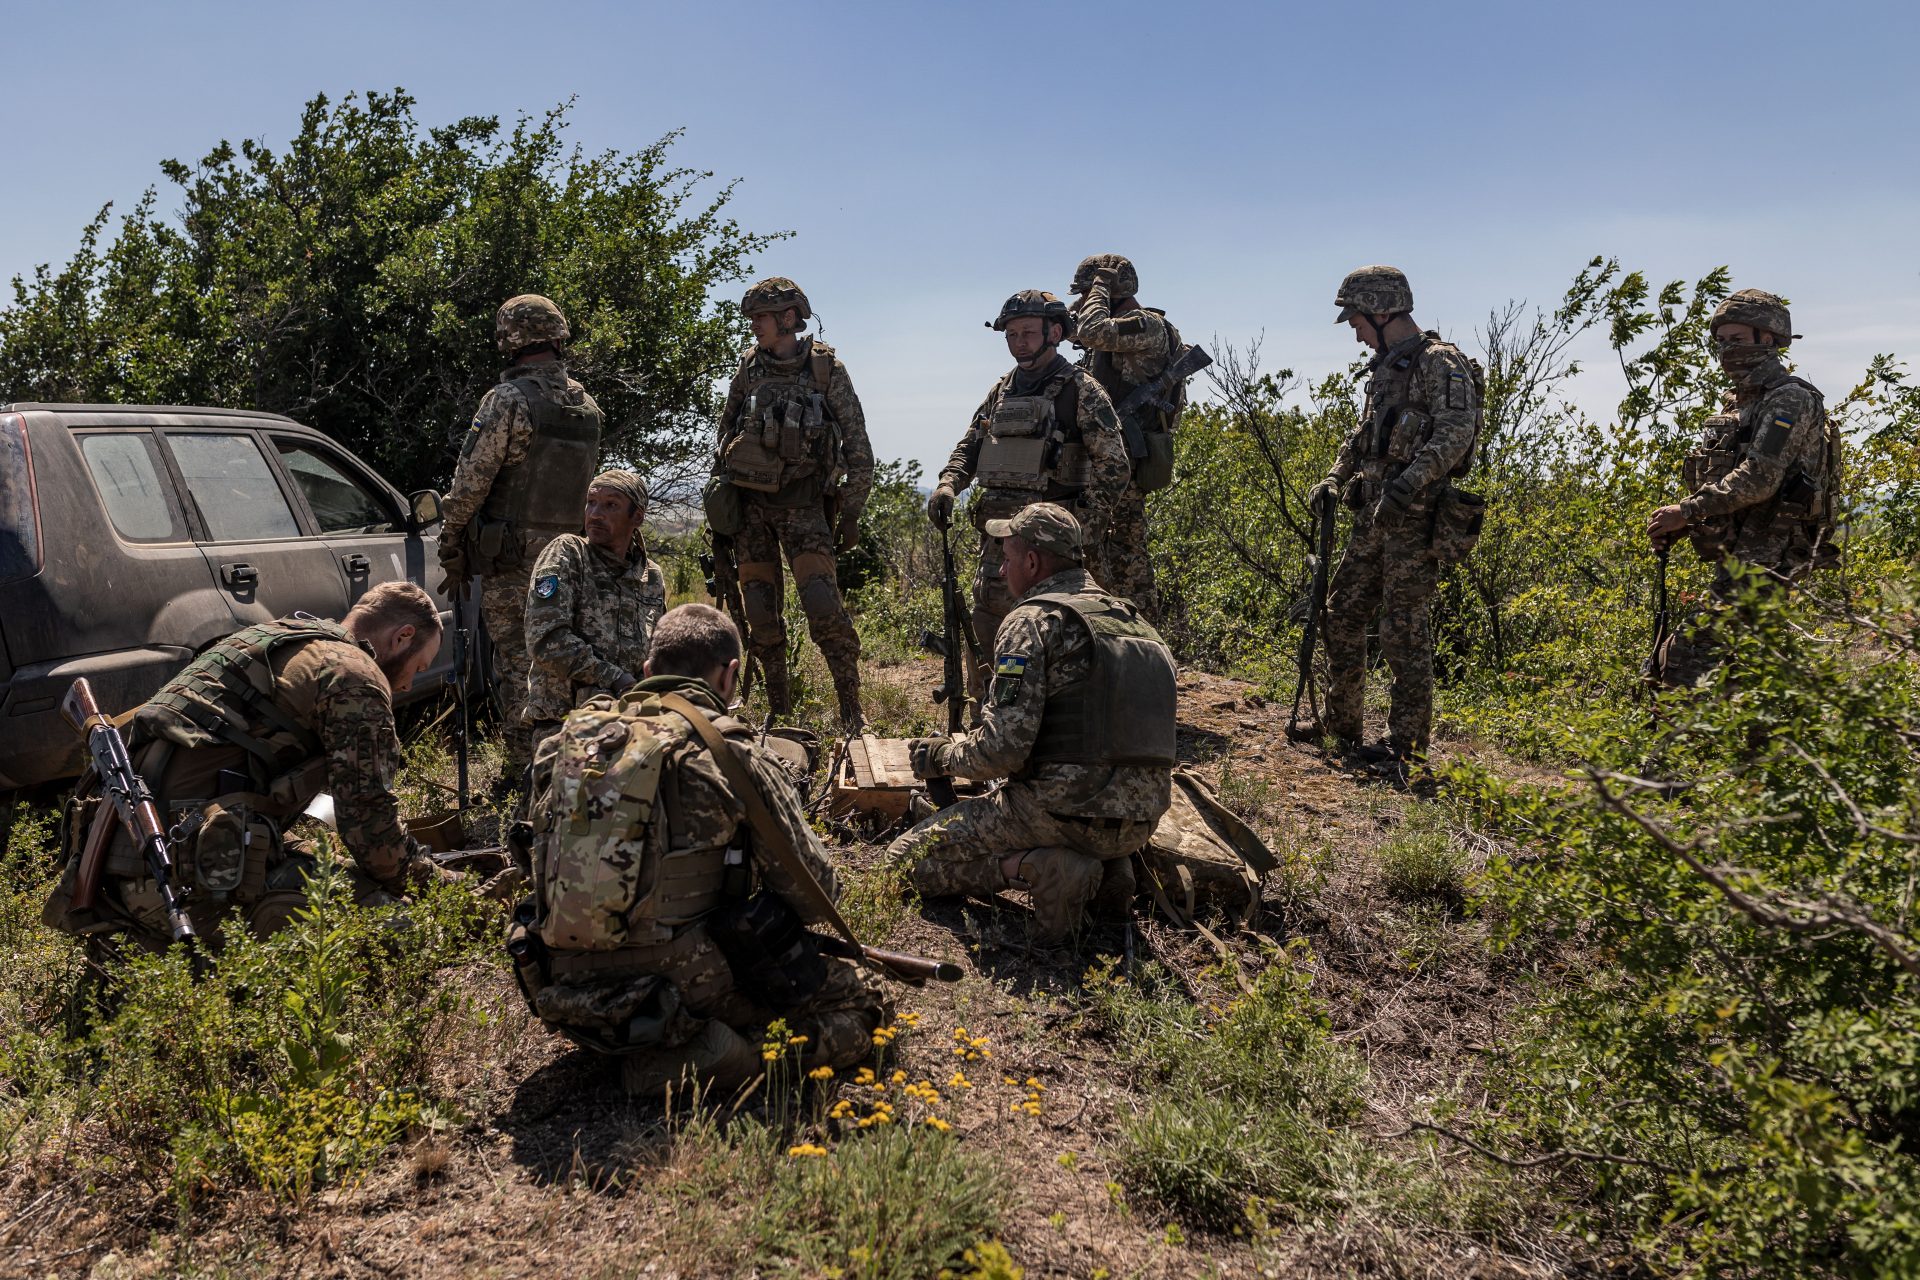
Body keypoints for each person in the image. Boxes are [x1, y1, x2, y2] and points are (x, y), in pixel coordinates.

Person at [514, 604, 889, 1097]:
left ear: (647, 671)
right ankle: (724, 1059)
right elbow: (815, 896)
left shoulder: (563, 744)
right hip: (676, 989)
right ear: (730, 675)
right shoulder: (728, 750)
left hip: (557, 986)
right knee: (866, 1006)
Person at [43, 581, 453, 951]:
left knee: (327, 866)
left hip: (114, 873)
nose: (407, 686)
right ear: (402, 637)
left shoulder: (271, 638)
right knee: (403, 927)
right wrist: (444, 890)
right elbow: (370, 832)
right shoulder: (353, 675)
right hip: (178, 884)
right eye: (417, 667)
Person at [890, 504, 1176, 944]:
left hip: (1058, 813)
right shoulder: (1140, 625)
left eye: (1006, 558)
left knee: (902, 864)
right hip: (1139, 823)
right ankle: (1111, 869)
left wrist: (942, 757)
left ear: (1032, 562)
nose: (1001, 570)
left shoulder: (1031, 621)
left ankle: (1039, 869)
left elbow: (1003, 750)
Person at [1308, 265, 1479, 772]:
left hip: (1417, 516)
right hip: (1373, 515)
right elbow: (1365, 436)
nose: (1357, 334)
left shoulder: (1439, 361)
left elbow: (1456, 432)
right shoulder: (1388, 366)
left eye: (1358, 321)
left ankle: (1405, 749)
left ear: (1383, 312)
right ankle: (1342, 728)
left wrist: (1407, 485)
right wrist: (1336, 476)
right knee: (1341, 613)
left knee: (1403, 630)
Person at [927, 292, 1130, 702]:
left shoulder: (1081, 390)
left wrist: (1082, 529)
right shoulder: (1002, 390)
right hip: (1000, 538)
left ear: (1054, 333)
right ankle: (991, 720)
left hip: (1056, 543)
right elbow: (971, 445)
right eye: (1012, 334)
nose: (1019, 342)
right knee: (990, 625)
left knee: (1062, 631)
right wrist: (949, 483)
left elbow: (1115, 465)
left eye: (1028, 333)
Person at [437, 294, 604, 791]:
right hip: (572, 557)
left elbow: (471, 481)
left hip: (512, 560)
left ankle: (523, 770)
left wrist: (451, 536)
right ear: (557, 336)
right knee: (564, 658)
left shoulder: (507, 401)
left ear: (510, 340)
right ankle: (573, 760)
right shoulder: (586, 406)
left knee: (516, 661)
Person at [1646, 289, 1840, 688]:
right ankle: (1759, 744)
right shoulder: (1739, 404)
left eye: (1736, 340)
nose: (1726, 350)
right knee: (1739, 672)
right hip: (1741, 551)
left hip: (1767, 553)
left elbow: (1759, 478)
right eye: (1721, 341)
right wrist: (1688, 523)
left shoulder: (1788, 399)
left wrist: (1686, 511)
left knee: (1687, 660)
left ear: (1767, 340)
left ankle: (1673, 749)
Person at [709, 277, 873, 729]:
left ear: (787, 318)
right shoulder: (748, 369)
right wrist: (719, 511)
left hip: (805, 510)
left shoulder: (825, 371)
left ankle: (851, 712)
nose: (754, 326)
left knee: (824, 608)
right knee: (761, 615)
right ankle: (780, 713)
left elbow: (860, 451)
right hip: (751, 514)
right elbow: (724, 438)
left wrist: (851, 511)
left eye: (761, 317)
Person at [1068, 253, 1186, 618]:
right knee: (1099, 551)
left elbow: (1091, 331)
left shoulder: (1145, 324)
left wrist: (1099, 286)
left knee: (1126, 558)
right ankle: (1112, 637)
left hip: (1130, 459)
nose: (1085, 302)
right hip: (1111, 456)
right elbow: (1076, 330)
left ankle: (1145, 640)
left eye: (1089, 294)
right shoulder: (1120, 330)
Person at [523, 469, 668, 749]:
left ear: (636, 517)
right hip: (566, 726)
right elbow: (546, 641)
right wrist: (615, 678)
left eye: (610, 505)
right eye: (591, 502)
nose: (595, 514)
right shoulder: (569, 553)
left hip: (632, 724)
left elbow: (659, 651)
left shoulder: (651, 577)